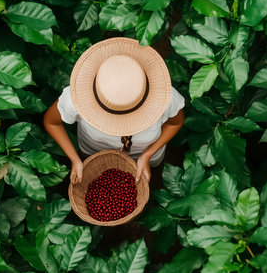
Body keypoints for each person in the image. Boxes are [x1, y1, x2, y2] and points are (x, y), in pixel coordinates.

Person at [44, 37, 185, 185]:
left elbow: (175, 123)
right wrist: (74, 159)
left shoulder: (165, 97)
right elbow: (51, 122)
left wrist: (147, 155)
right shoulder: (76, 99)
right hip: (93, 155)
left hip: (147, 159)